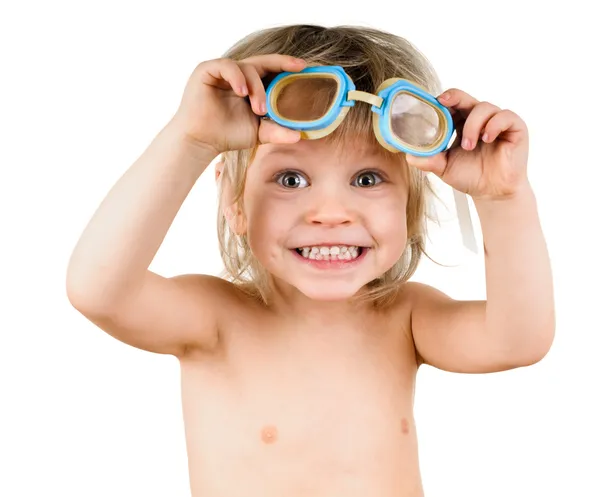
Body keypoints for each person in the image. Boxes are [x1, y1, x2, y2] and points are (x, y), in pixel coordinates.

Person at [66, 24, 555, 497]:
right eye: (291, 180)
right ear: (233, 202)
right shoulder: (214, 320)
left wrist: (502, 199)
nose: (331, 214)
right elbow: (98, 289)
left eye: (367, 179)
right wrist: (189, 140)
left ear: (410, 205)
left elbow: (518, 340)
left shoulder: (406, 318)